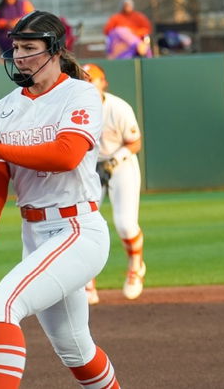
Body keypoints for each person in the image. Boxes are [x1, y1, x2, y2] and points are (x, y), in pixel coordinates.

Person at [0, 10, 120, 388]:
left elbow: (66, 155)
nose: (19, 56)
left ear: (54, 50)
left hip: (77, 230)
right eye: (16, 47)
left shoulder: (81, 93)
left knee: (3, 305)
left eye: (29, 48)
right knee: (75, 349)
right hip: (36, 235)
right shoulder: (5, 108)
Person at [81, 64, 146, 305]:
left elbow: (135, 143)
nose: (88, 84)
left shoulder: (118, 108)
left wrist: (114, 161)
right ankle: (87, 282)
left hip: (121, 165)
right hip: (89, 168)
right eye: (84, 80)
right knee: (85, 228)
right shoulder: (73, 109)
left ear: (103, 83)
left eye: (92, 80)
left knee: (126, 225)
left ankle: (136, 266)